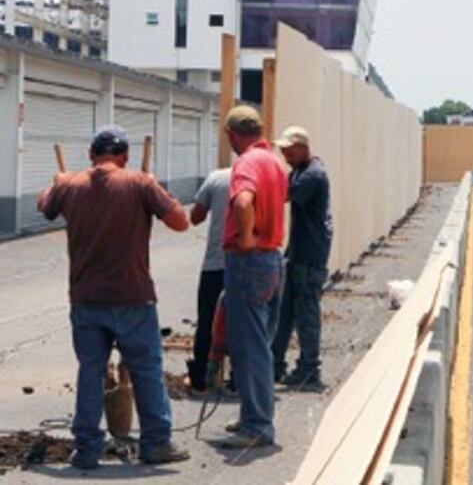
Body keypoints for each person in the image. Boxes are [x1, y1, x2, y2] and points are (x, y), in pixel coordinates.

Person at [37, 125, 191, 470]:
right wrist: (154, 189)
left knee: (91, 370)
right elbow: (181, 222)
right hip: (132, 296)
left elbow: (44, 204)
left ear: (92, 155)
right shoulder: (139, 183)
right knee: (146, 370)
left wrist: (58, 180)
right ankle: (156, 443)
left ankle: (87, 448)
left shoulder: (69, 185)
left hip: (86, 297)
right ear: (125, 156)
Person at [220, 105, 288, 449]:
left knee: (250, 348)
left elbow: (244, 202)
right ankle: (253, 416)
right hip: (273, 259)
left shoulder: (246, 163)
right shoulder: (275, 162)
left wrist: (246, 238)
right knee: (260, 343)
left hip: (249, 261)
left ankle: (257, 426)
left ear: (233, 133)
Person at [272, 126, 333, 391]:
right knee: (284, 312)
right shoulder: (300, 170)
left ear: (304, 148)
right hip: (299, 251)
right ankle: (275, 364)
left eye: (290, 151)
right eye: (283, 151)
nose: (285, 155)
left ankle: (309, 369)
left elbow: (282, 195)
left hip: (310, 255)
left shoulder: (312, 175)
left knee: (306, 313)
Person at [187, 167, 231, 392]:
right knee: (245, 322)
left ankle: (202, 378)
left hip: (216, 263)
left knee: (207, 321)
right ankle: (240, 379)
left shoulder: (217, 178)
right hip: (248, 263)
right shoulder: (264, 174)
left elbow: (195, 217)